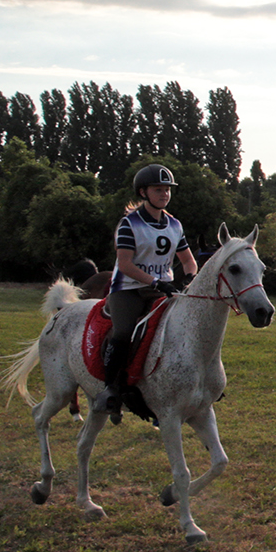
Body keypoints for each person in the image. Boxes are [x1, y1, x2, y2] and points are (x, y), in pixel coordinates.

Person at [103, 163, 198, 422]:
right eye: (158, 189)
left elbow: (188, 261)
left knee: (177, 332)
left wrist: (190, 278)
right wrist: (156, 282)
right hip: (128, 290)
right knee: (123, 333)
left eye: (167, 189)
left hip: (160, 290)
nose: (164, 194)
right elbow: (125, 265)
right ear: (143, 192)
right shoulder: (128, 224)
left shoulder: (175, 225)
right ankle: (110, 388)